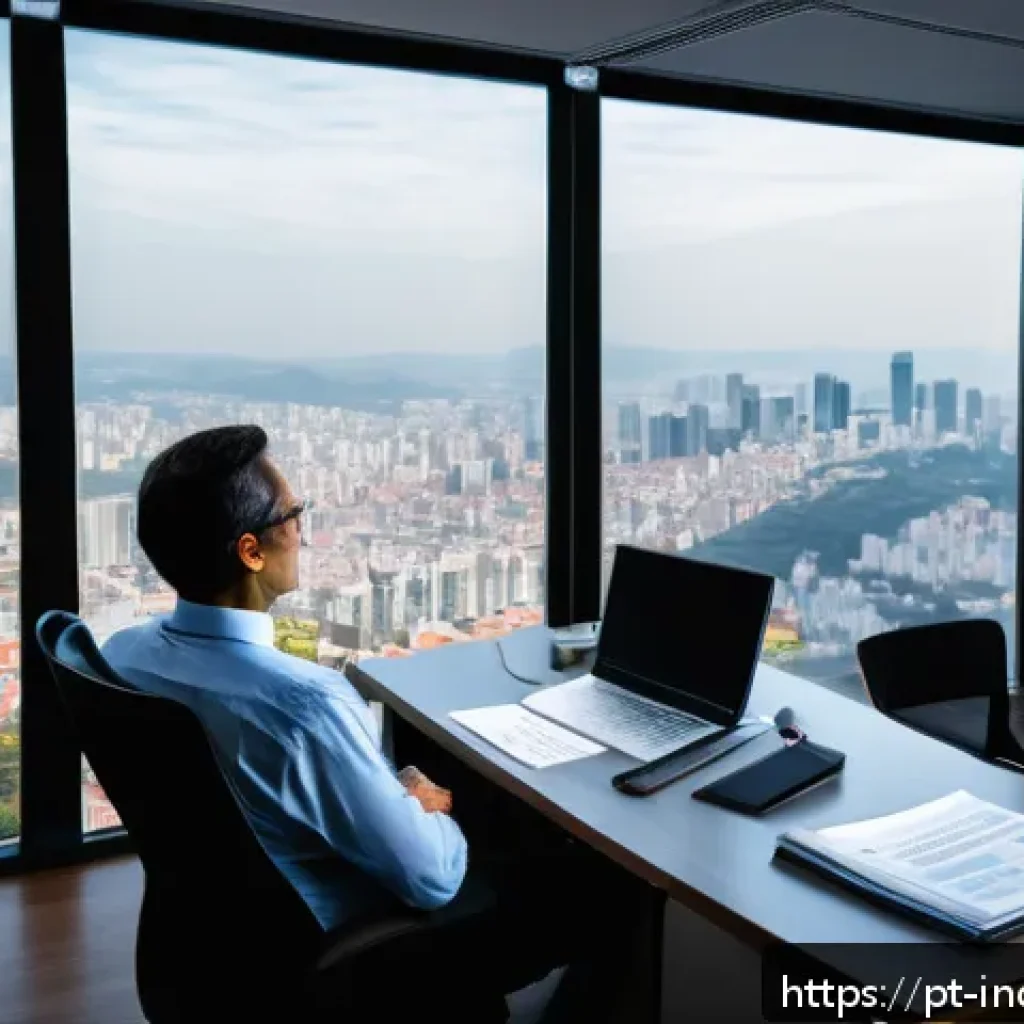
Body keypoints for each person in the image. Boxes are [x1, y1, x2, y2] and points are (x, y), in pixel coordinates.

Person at [103, 425, 649, 1022]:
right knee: (611, 884)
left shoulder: (124, 654)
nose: (303, 530)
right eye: (293, 513)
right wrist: (417, 798)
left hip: (208, 947)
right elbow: (433, 879)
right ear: (251, 551)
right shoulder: (303, 701)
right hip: (339, 955)